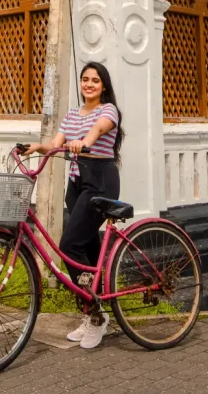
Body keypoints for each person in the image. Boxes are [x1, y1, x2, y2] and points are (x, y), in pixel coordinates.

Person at [23, 61, 124, 350]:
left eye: (95, 80)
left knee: (69, 245)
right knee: (86, 249)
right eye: (85, 80)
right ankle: (95, 312)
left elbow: (98, 130)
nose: (89, 84)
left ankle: (95, 314)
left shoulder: (108, 110)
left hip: (100, 180)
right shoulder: (71, 114)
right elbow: (57, 141)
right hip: (77, 183)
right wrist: (36, 147)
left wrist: (85, 141)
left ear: (103, 86)